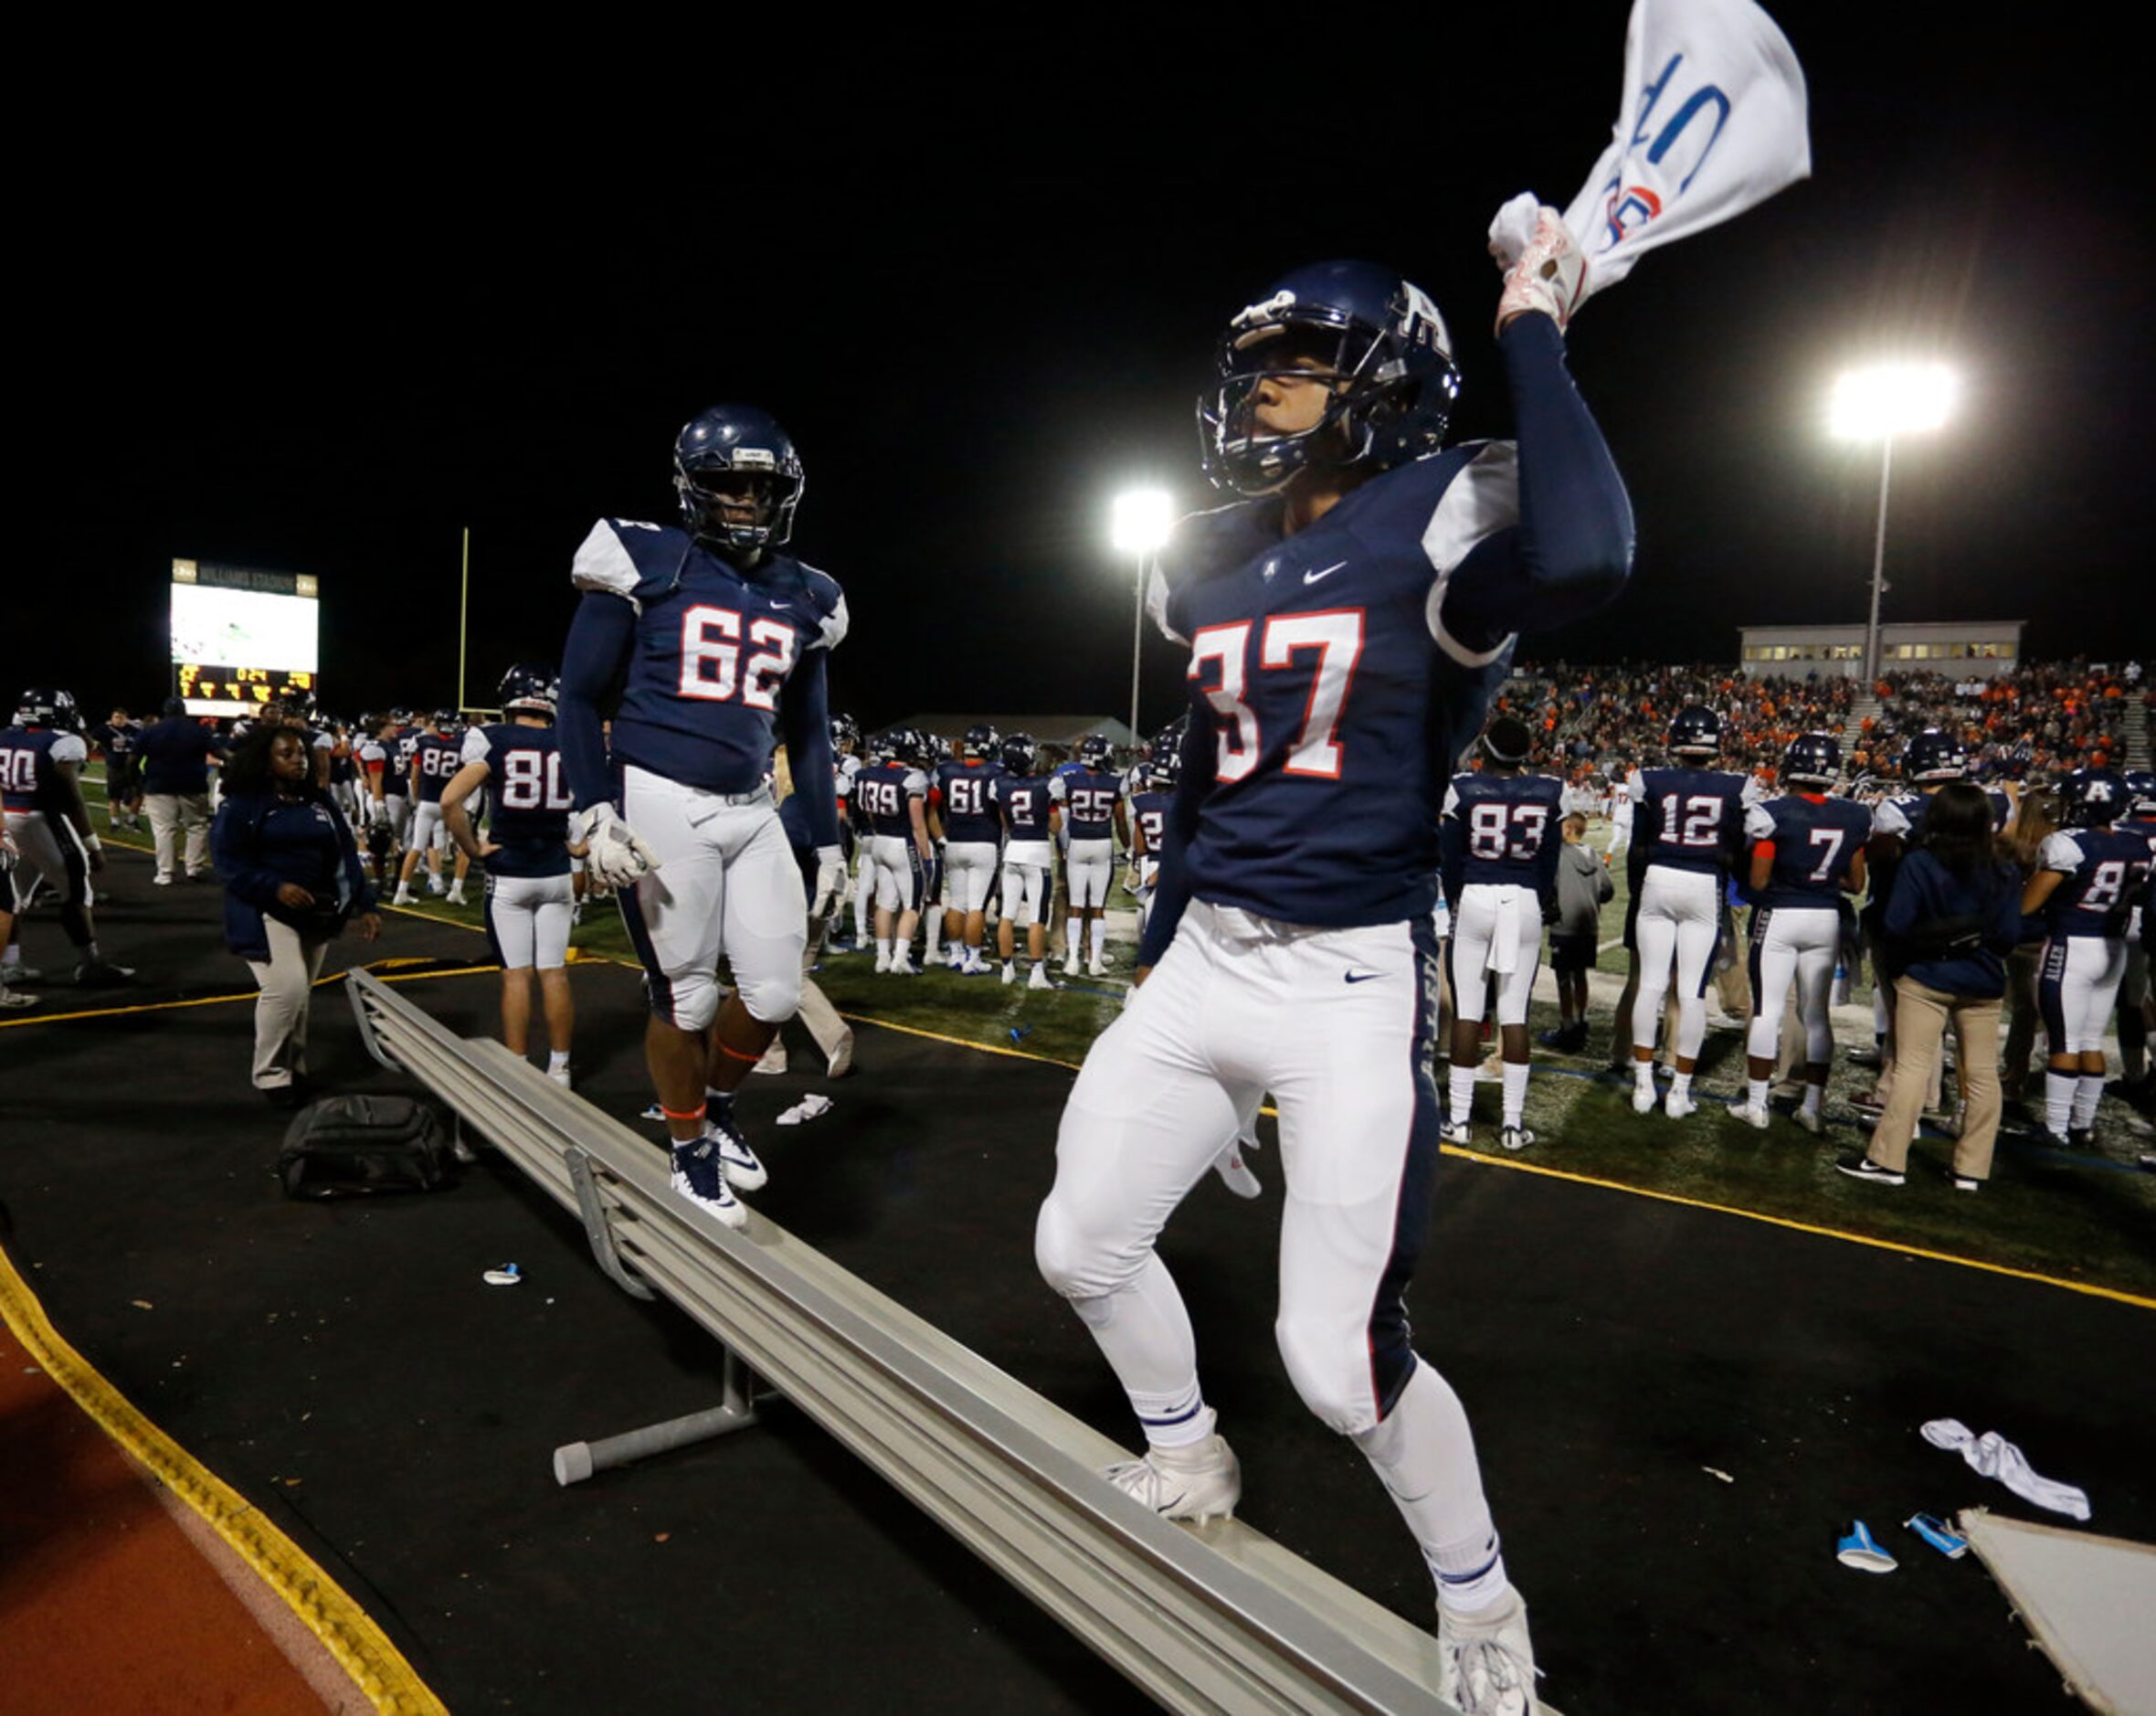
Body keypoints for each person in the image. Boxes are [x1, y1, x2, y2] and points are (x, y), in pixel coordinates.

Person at [1033, 234, 1631, 1711]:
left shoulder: (1442, 518)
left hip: (1347, 984)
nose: (1262, 393)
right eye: (1255, 367)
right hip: (1205, 965)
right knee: (1080, 1243)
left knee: (1339, 1360)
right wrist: (1163, 956)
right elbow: (1196, 784)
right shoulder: (1219, 554)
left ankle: (1481, 1596)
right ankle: (1186, 1443)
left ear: (1384, 387)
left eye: (1296, 366)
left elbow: (1593, 550)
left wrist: (1534, 325)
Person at [557, 403, 847, 1229]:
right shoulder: (647, 555)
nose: (747, 502)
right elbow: (580, 694)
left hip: (754, 805)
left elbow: (810, 732)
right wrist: (593, 811)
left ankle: (716, 1107)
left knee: (775, 988)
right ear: (693, 487)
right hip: (661, 796)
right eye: (729, 484)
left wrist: (825, 841)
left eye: (761, 487)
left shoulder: (809, 593)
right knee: (683, 996)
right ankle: (686, 1151)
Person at [1836, 782, 2019, 1188]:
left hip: (1928, 977)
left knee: (1912, 1068)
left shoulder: (1921, 862)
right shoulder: (2004, 866)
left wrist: (1929, 949)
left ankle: (1888, 1162)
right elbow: (2009, 934)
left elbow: (1897, 925)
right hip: (1984, 980)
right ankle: (1971, 1170)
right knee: (1984, 1074)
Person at [211, 725, 381, 1105]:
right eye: (286, 754)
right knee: (285, 989)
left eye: (301, 753)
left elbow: (346, 856)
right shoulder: (241, 806)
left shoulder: (319, 802)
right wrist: (274, 887)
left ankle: (294, 1068)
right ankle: (270, 1074)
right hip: (265, 911)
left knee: (300, 995)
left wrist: (365, 904)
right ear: (265, 761)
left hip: (315, 913)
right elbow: (228, 864)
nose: (298, 760)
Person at [441, 665, 579, 1086]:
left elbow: (450, 801)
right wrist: (577, 846)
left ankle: (519, 1068)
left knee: (516, 975)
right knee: (554, 972)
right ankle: (560, 1068)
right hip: (558, 873)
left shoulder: (491, 738)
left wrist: (472, 849)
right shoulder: (569, 740)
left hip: (511, 875)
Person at [1439, 715, 1565, 1150]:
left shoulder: (1464, 788)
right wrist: (1540, 894)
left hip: (1476, 893)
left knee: (1468, 1011)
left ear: (1486, 749)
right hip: (1524, 898)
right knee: (1516, 1014)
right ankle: (1512, 1124)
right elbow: (1550, 859)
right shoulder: (1551, 790)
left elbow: (1450, 857)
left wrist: (1459, 897)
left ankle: (1459, 1119)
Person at [1734, 734, 1871, 1131]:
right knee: (1815, 1016)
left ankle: (1757, 1105)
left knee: (1767, 1011)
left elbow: (1758, 881)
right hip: (1825, 918)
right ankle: (1812, 1106)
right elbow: (1856, 883)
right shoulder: (1853, 815)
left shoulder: (1773, 813)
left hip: (1780, 915)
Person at [1625, 706, 1752, 1118]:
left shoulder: (1651, 779)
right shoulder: (1739, 785)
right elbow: (1738, 846)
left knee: (1650, 985)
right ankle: (1679, 1092)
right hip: (1704, 883)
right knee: (1692, 994)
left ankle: (1643, 1086)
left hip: (1658, 878)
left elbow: (1639, 846)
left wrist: (1638, 891)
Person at [2023, 768, 2151, 1144]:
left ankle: (2056, 1127)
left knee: (2064, 1042)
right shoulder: (2136, 844)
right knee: (2092, 1040)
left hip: (2072, 946)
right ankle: (2083, 1124)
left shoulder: (2067, 844)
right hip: (2113, 949)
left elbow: (2029, 904)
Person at [1, 688, 132, 987]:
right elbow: (71, 798)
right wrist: (91, 844)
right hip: (41, 819)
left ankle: (9, 963)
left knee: (15, 896)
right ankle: (90, 962)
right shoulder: (63, 742)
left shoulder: (5, 736)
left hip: (7, 818)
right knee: (76, 890)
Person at [851, 729, 935, 974]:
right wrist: (927, 857)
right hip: (903, 843)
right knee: (912, 905)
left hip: (879, 840)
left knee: (885, 903)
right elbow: (918, 823)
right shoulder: (913, 777)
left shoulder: (866, 774)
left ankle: (882, 958)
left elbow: (867, 812)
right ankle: (900, 958)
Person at [1054, 734, 1128, 978]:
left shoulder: (1069, 780)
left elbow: (1062, 820)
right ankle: (1094, 960)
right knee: (1097, 907)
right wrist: (1128, 848)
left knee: (1076, 905)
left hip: (1077, 843)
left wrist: (1063, 847)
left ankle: (1073, 960)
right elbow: (1120, 821)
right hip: (1102, 844)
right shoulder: (1115, 782)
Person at [991, 732, 1060, 989]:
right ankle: (1036, 974)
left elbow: (1005, 824)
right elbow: (1055, 826)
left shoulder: (999, 785)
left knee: (1007, 914)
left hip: (1013, 851)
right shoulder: (1047, 784)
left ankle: (1007, 969)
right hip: (1037, 853)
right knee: (1036, 917)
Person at [935, 723, 1003, 975]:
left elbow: (934, 805)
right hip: (984, 841)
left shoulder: (946, 770)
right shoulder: (996, 772)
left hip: (954, 840)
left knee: (956, 902)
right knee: (975, 905)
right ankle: (972, 958)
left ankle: (954, 954)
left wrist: (940, 835)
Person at [1542, 810, 1611, 1054]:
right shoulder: (1592, 854)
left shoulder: (1558, 855)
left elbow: (1548, 886)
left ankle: (1567, 1025)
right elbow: (1607, 890)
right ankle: (1580, 1020)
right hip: (1588, 926)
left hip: (1564, 926)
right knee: (1580, 976)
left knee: (1563, 978)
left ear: (1569, 828)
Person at [139, 695, 220, 884]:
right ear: (185, 711)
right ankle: (194, 868)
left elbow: (133, 758)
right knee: (197, 826)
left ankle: (165, 873)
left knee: (164, 829)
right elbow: (220, 753)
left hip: (159, 785)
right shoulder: (199, 731)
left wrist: (139, 781)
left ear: (165, 711)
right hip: (193, 784)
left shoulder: (151, 731)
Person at [90, 707, 144, 831]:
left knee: (139, 794)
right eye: (116, 717)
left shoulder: (134, 730)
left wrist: (133, 724)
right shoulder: (106, 730)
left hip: (133, 768)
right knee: (114, 796)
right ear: (111, 718)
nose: (119, 720)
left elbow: (144, 733)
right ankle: (115, 822)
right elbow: (94, 734)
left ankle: (132, 820)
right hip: (115, 767)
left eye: (121, 717)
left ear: (126, 718)